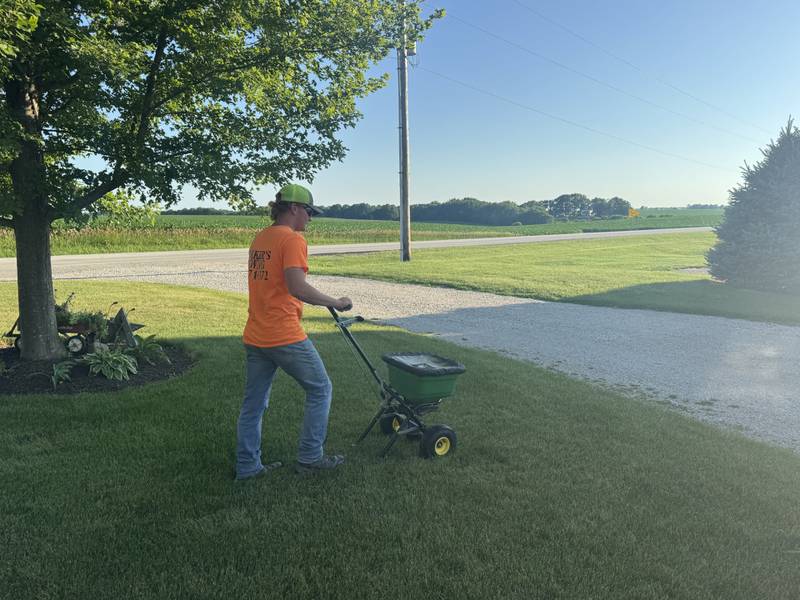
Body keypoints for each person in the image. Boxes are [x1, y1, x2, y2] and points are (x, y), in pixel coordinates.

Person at [235, 183, 352, 480]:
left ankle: (248, 467)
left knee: (254, 404)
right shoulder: (292, 240)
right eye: (309, 212)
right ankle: (311, 458)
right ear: (295, 208)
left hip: (256, 333)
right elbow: (297, 287)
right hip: (283, 334)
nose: (310, 219)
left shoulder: (260, 238)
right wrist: (336, 302)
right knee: (321, 389)